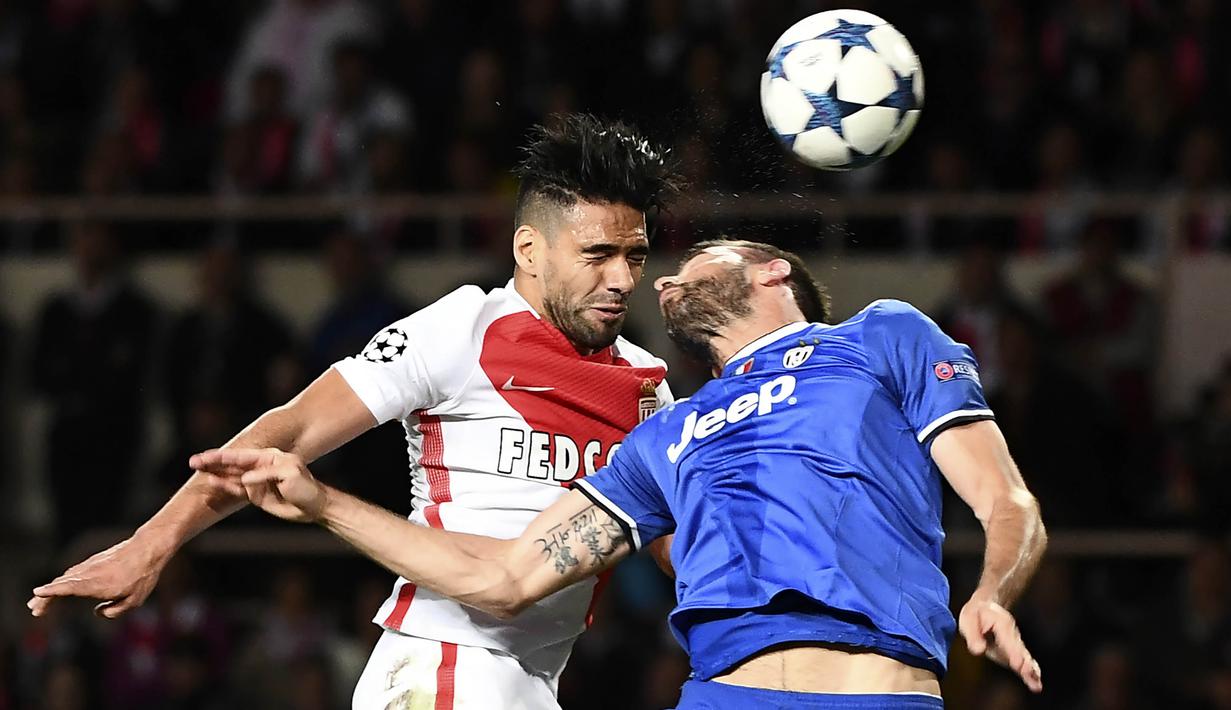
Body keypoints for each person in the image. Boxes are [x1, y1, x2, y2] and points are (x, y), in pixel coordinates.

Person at [191, 239, 1049, 708]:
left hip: (871, 694)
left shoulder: (877, 339)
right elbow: (502, 578)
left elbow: (1005, 501)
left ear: (772, 269)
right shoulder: (663, 435)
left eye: (697, 260)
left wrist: (992, 593)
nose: (663, 277)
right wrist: (324, 502)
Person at [29, 114, 683, 709]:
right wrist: (153, 544)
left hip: (534, 681)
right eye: (596, 255)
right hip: (445, 667)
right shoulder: (461, 329)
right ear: (528, 251)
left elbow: (684, 551)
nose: (622, 279)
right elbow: (287, 432)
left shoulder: (646, 388)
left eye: (634, 256)